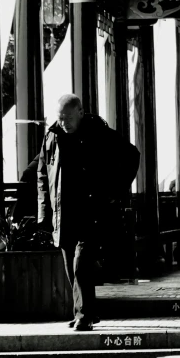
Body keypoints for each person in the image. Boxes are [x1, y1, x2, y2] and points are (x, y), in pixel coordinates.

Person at [37, 94, 140, 331]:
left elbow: (132, 155)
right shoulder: (51, 136)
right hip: (63, 215)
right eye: (60, 118)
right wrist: (44, 213)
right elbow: (42, 175)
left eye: (68, 118)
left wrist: (117, 189)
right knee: (70, 268)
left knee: (81, 264)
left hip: (92, 213)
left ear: (81, 113)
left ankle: (84, 315)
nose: (64, 123)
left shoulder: (99, 132)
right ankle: (86, 312)